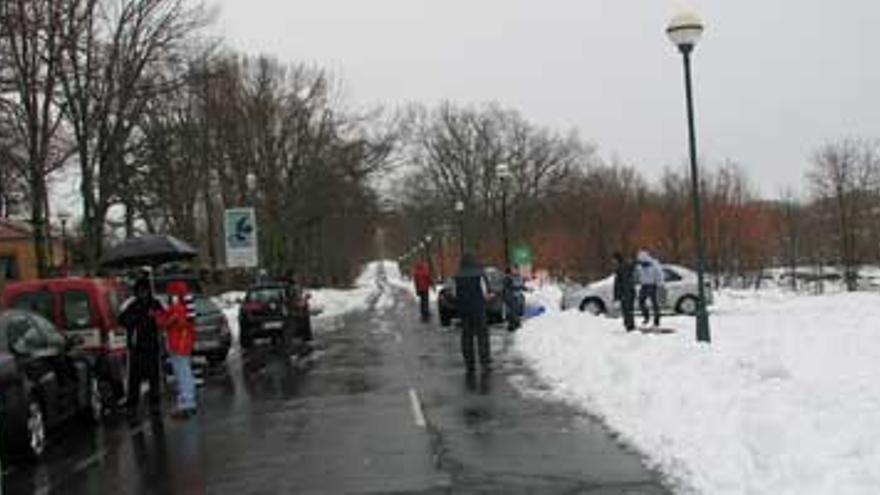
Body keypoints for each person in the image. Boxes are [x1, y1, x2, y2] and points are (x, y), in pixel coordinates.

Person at [118, 276, 165, 419]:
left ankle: (155, 403)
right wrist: (137, 319)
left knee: (153, 376)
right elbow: (122, 320)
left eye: (145, 291)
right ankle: (132, 404)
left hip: (151, 345)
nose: (142, 293)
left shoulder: (155, 304)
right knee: (134, 378)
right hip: (136, 347)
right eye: (140, 291)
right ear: (137, 292)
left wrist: (154, 318)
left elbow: (162, 319)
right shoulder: (133, 305)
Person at [158, 280, 198, 418]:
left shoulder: (178, 308)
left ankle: (186, 402)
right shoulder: (184, 306)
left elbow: (167, 321)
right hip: (181, 343)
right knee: (184, 372)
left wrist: (159, 317)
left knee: (183, 374)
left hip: (178, 344)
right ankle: (187, 401)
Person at [455, 253, 492, 381]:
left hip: (464, 312)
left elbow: (454, 294)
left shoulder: (457, 276)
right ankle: (484, 364)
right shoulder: (479, 274)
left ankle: (470, 366)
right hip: (478, 310)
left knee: (466, 339)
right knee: (482, 338)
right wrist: (488, 299)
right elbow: (486, 292)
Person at [636, 250, 665, 327]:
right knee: (641, 301)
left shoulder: (654, 264)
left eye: (642, 261)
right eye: (640, 262)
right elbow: (638, 274)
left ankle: (656, 320)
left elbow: (660, 274)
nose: (641, 263)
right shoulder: (640, 266)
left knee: (654, 303)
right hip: (644, 285)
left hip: (652, 285)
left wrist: (660, 284)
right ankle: (646, 317)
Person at [612, 252, 636, 332]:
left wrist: (623, 295)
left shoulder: (622, 268)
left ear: (616, 259)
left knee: (627, 310)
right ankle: (629, 325)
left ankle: (630, 327)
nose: (613, 262)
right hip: (627, 293)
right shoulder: (621, 267)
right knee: (627, 310)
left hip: (626, 293)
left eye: (613, 260)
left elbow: (625, 282)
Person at [502, 267, 523, 332]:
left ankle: (515, 323)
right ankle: (512, 325)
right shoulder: (507, 278)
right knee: (513, 311)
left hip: (508, 296)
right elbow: (512, 287)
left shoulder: (507, 278)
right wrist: (519, 287)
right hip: (510, 296)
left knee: (513, 310)